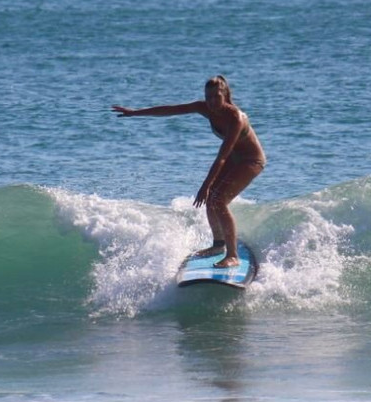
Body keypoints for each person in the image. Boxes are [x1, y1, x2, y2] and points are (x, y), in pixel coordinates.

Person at [112, 75, 266, 269]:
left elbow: (222, 157)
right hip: (234, 156)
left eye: (216, 96)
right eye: (208, 96)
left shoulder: (236, 118)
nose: (211, 101)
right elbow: (171, 110)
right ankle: (218, 245)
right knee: (212, 198)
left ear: (225, 95)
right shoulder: (205, 108)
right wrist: (135, 113)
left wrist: (205, 185)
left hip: (251, 160)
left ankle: (233, 255)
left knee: (219, 200)